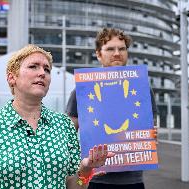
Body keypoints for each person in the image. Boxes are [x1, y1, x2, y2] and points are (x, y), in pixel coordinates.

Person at [0, 44, 114, 189]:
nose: (42, 73)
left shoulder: (64, 125)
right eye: (33, 66)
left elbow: (75, 187)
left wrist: (85, 170)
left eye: (47, 69)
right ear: (12, 78)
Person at [66, 28, 158, 189]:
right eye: (110, 49)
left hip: (133, 181)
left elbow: (152, 127)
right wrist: (80, 168)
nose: (117, 53)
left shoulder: (142, 88)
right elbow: (67, 136)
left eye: (122, 48)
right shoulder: (82, 90)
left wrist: (152, 135)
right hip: (95, 180)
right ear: (98, 54)